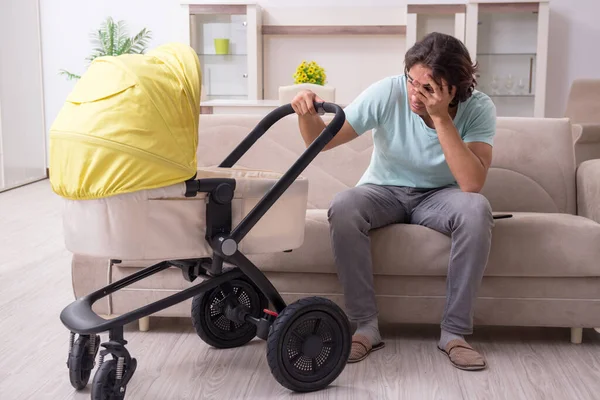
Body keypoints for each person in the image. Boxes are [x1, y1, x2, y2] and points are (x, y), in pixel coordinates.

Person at [290, 32, 496, 370]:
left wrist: (441, 117)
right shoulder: (388, 91)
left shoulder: (479, 108)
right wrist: (305, 112)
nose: (415, 93)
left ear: (454, 88)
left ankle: (454, 333)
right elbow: (320, 141)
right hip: (384, 190)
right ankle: (366, 328)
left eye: (427, 88)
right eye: (411, 81)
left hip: (441, 196)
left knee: (477, 210)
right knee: (344, 205)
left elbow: (472, 183)